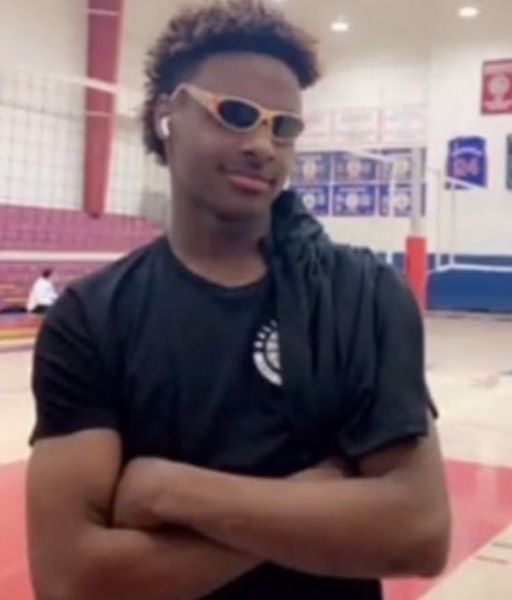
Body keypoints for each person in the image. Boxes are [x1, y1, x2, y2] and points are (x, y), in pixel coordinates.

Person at [26, 2, 451, 599]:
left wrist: (171, 491)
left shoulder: (363, 295)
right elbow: (72, 580)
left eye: (283, 127)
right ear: (168, 116)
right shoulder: (91, 319)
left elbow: (419, 533)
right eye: (235, 114)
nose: (262, 144)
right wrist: (314, 504)